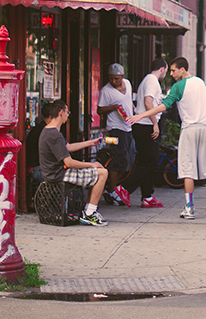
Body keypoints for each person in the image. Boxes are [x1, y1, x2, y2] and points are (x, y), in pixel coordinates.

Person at [128, 56, 206, 220]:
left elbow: (163, 105)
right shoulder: (201, 83)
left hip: (189, 128)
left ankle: (189, 208)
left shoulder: (178, 87)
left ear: (183, 69)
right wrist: (204, 118)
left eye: (174, 70)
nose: (171, 74)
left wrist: (141, 115)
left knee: (187, 170)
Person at [38, 100, 110, 226]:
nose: (68, 115)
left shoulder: (48, 131)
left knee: (97, 173)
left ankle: (89, 210)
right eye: (67, 112)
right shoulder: (54, 134)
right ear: (61, 112)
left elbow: (69, 147)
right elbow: (69, 162)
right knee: (102, 173)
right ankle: (89, 213)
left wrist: (90, 142)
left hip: (53, 172)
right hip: (59, 174)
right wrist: (92, 164)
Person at [128, 57, 168, 208]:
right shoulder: (152, 80)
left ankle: (147, 196)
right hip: (146, 125)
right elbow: (147, 102)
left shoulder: (147, 79)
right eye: (166, 70)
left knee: (147, 161)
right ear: (162, 69)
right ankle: (124, 188)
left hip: (142, 125)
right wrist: (155, 123)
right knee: (151, 161)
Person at [97, 63, 136, 207]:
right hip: (115, 128)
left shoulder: (128, 84)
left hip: (128, 126)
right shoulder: (106, 91)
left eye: (117, 79)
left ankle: (115, 187)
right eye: (111, 79)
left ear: (123, 77)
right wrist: (113, 107)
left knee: (129, 159)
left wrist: (132, 110)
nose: (114, 82)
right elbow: (100, 110)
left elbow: (128, 101)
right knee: (120, 159)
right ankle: (111, 190)